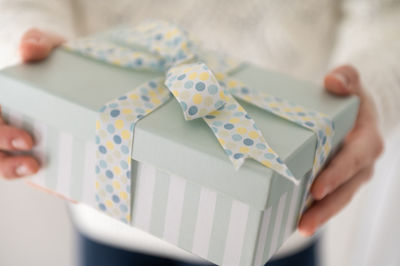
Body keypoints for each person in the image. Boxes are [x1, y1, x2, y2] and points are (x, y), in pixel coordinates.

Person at [1, 0, 398, 265]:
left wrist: (368, 97)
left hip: (290, 212)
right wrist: (28, 62)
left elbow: (382, 13)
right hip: (109, 212)